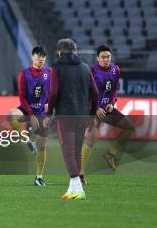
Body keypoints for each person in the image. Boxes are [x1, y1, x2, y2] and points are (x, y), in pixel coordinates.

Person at [43, 38, 98, 200]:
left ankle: (78, 189)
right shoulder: (85, 67)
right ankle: (72, 188)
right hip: (82, 115)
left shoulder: (56, 68)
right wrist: (92, 113)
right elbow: (95, 93)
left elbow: (53, 93)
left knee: (68, 151)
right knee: (76, 152)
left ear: (60, 51)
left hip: (65, 115)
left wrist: (49, 113)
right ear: (75, 50)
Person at [80, 45, 135, 182]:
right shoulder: (92, 70)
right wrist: (96, 107)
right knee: (91, 139)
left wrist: (112, 102)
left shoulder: (116, 70)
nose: (106, 59)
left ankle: (110, 154)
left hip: (107, 108)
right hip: (92, 109)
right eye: (103, 57)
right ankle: (80, 175)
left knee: (129, 128)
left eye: (108, 57)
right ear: (97, 58)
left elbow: (115, 89)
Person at [7, 46, 51, 186]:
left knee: (42, 146)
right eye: (38, 57)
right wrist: (31, 115)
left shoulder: (49, 73)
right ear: (32, 57)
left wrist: (50, 105)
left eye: (43, 58)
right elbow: (22, 96)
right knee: (11, 115)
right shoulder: (24, 74)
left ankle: (39, 177)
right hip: (27, 109)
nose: (41, 60)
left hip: (42, 113)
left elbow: (52, 93)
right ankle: (26, 140)